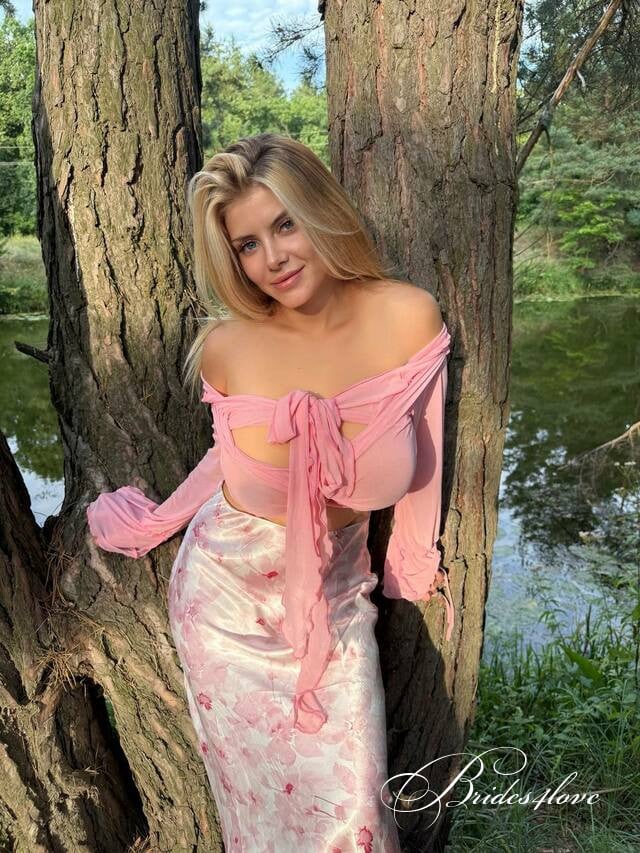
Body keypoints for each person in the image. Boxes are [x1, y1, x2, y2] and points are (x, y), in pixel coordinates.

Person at [86, 132, 454, 852]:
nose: (273, 258)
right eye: (248, 245)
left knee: (355, 815)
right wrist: (159, 521)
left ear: (322, 210)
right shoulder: (229, 347)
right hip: (224, 598)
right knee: (259, 818)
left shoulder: (409, 317)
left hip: (335, 595)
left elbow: (427, 446)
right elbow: (226, 462)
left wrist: (411, 562)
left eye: (285, 225)